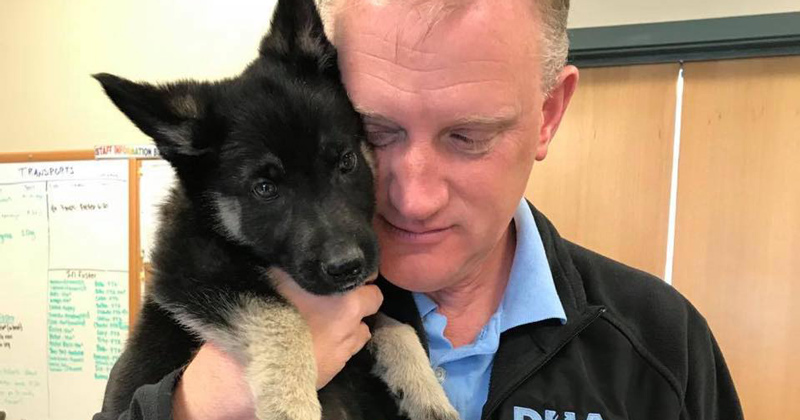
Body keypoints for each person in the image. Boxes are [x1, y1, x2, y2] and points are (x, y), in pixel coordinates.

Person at [105, 0, 745, 419]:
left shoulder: (661, 343)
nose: (411, 198)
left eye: (467, 137)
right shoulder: (211, 338)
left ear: (548, 115)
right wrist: (198, 403)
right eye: (376, 134)